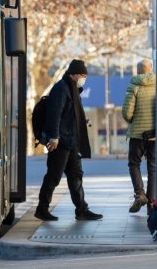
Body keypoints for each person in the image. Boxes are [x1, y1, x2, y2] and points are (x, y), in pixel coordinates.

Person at [35, 59, 103, 221]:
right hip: (60, 142)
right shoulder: (61, 88)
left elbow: (69, 114)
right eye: (82, 75)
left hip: (71, 142)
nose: (84, 78)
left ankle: (81, 209)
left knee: (76, 175)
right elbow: (54, 114)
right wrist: (54, 137)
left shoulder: (73, 89)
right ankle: (42, 209)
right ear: (73, 74)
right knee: (54, 176)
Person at [122, 59, 157, 214]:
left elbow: (127, 112)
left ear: (138, 71)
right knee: (153, 168)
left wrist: (132, 120)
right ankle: (151, 203)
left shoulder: (134, 85)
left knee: (134, 164)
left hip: (137, 134)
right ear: (151, 70)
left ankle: (140, 194)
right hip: (155, 134)